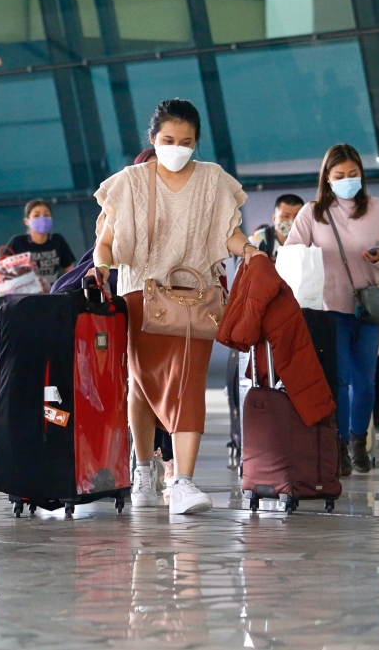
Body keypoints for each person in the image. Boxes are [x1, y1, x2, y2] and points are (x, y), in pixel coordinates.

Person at [91, 98, 265, 515]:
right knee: (141, 388)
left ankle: (183, 480)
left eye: (186, 141)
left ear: (197, 142)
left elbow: (228, 233)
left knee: (188, 387)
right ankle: (144, 468)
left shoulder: (212, 181)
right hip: (139, 296)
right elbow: (108, 241)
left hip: (195, 299)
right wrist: (100, 267)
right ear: (153, 139)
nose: (177, 147)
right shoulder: (129, 182)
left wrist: (250, 251)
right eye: (168, 139)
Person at [285, 144, 379, 475]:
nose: (347, 180)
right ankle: (338, 444)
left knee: (366, 381)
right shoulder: (313, 212)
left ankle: (357, 440)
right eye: (340, 176)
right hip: (327, 308)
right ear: (327, 177)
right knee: (338, 380)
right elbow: (292, 253)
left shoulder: (378, 209)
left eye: (353, 174)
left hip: (366, 307)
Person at [4, 200, 76, 289]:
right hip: (25, 295)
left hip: (53, 293)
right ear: (26, 221)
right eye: (36, 215)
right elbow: (1, 271)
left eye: (46, 215)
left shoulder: (57, 240)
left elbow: (69, 270)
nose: (42, 219)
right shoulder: (18, 242)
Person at [249, 194, 305, 259]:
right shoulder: (258, 241)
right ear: (274, 218)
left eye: (297, 216)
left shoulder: (312, 241)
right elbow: (243, 267)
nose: (292, 221)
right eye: (286, 216)